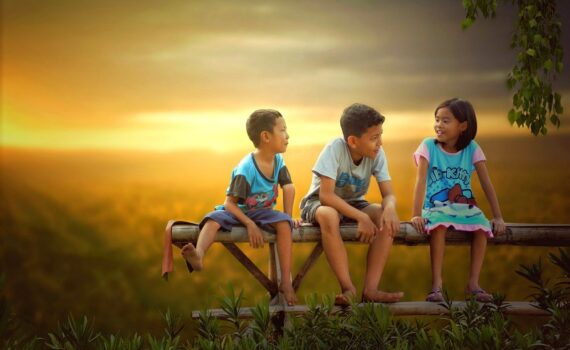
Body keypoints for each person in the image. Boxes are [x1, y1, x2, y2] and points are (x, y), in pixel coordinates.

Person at [181, 109, 298, 306]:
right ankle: (199, 255)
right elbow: (229, 203)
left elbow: (289, 187)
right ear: (266, 137)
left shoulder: (278, 161)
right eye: (283, 130)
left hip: (264, 212)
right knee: (212, 220)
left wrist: (288, 216)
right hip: (239, 212)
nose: (288, 135)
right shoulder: (247, 168)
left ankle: (286, 282)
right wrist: (249, 224)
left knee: (285, 226)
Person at [300, 103, 404, 306]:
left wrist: (390, 208)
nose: (380, 143)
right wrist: (361, 217)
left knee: (383, 215)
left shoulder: (376, 154)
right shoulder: (334, 149)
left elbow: (389, 194)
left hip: (353, 203)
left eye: (380, 135)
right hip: (318, 203)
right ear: (353, 141)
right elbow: (326, 196)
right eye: (374, 138)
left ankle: (371, 289)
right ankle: (348, 288)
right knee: (330, 215)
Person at [411, 98, 506, 303]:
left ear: (463, 126)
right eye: (437, 119)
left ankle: (473, 284)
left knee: (482, 225)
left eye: (446, 120)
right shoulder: (428, 146)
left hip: (464, 207)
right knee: (439, 226)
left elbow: (486, 184)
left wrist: (498, 217)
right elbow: (419, 182)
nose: (438, 125)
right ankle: (437, 285)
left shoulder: (472, 148)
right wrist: (416, 214)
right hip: (435, 207)